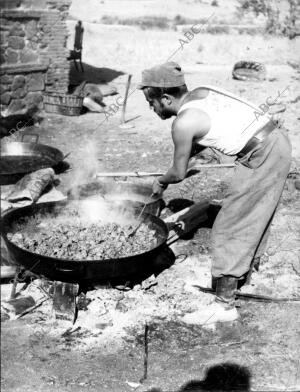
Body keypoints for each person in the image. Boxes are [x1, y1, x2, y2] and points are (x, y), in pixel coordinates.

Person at [138, 62, 291, 321]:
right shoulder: (201, 92)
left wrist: (162, 182)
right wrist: (181, 162)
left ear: (165, 98)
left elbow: (178, 173)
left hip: (262, 153)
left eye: (151, 103)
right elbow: (205, 138)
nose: (151, 109)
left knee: (230, 225)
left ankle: (224, 307)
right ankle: (245, 274)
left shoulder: (183, 123)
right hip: (275, 141)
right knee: (255, 213)